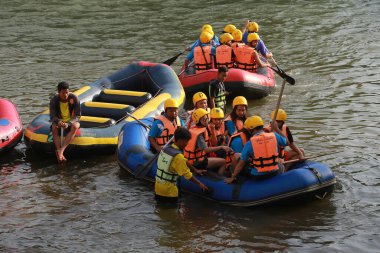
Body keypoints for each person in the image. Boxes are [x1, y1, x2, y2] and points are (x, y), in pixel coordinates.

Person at [224, 116, 287, 183]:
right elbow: (285, 142)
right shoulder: (274, 135)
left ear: (251, 129)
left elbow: (241, 163)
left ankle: (236, 179)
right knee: (281, 165)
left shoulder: (250, 142)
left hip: (258, 175)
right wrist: (277, 129)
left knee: (237, 156)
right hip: (274, 171)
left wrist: (233, 177)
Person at [155, 127, 208, 205]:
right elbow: (187, 175)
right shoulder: (178, 156)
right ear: (180, 140)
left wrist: (195, 170)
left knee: (161, 210)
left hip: (158, 188)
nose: (186, 144)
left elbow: (184, 161)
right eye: (186, 141)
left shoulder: (166, 148)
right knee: (172, 214)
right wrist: (200, 184)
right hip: (169, 192)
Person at [184, 108, 233, 175]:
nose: (207, 121)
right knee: (223, 162)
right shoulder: (199, 134)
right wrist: (222, 147)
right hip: (197, 162)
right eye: (204, 120)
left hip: (194, 159)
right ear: (198, 121)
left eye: (207, 118)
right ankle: (219, 179)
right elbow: (206, 150)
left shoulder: (194, 129)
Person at [49, 81, 80, 163]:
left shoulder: (74, 98)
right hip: (59, 120)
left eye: (67, 92)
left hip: (71, 121)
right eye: (63, 93)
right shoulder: (54, 100)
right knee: (54, 127)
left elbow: (77, 115)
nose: (65, 95)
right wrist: (58, 121)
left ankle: (61, 151)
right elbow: (52, 116)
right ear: (59, 92)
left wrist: (69, 123)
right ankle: (58, 149)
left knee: (75, 126)